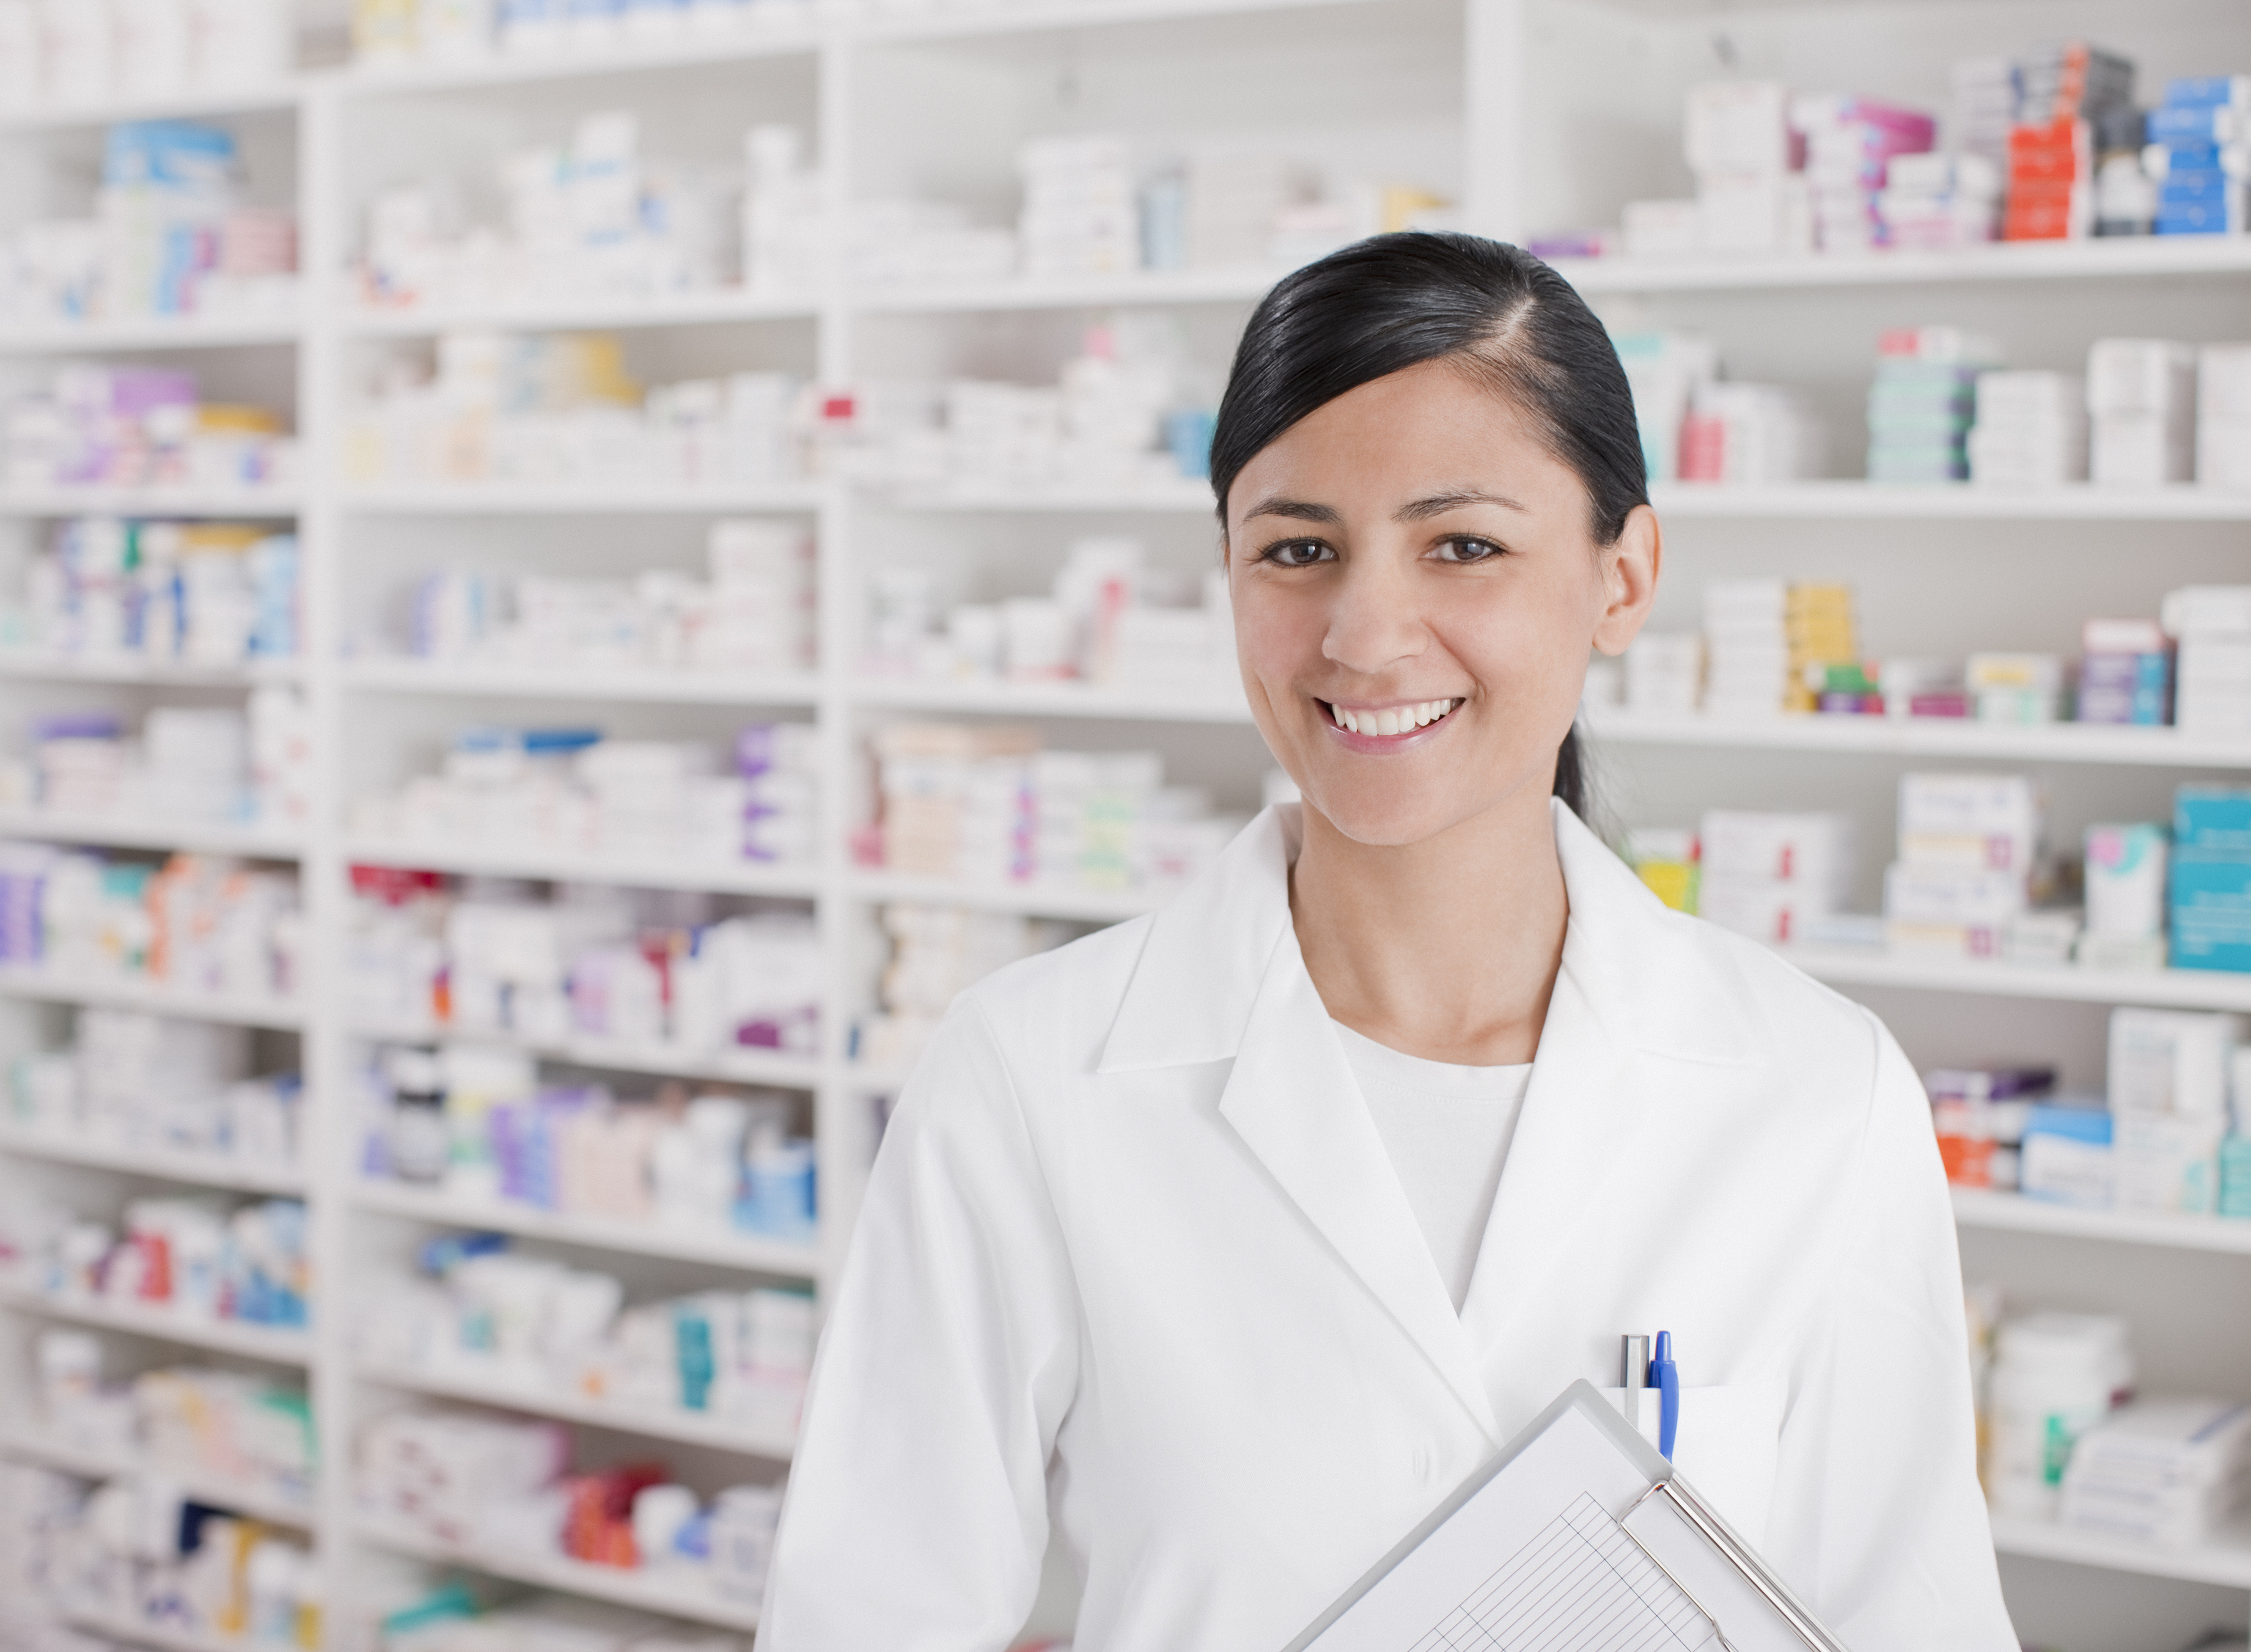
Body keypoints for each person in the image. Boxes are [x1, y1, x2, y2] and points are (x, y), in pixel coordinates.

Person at [760, 232, 2016, 1651]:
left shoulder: (1817, 1089)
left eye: (1463, 545)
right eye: (1298, 548)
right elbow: (868, 1615)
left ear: (1623, 573)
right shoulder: (1032, 1075)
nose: (1364, 635)